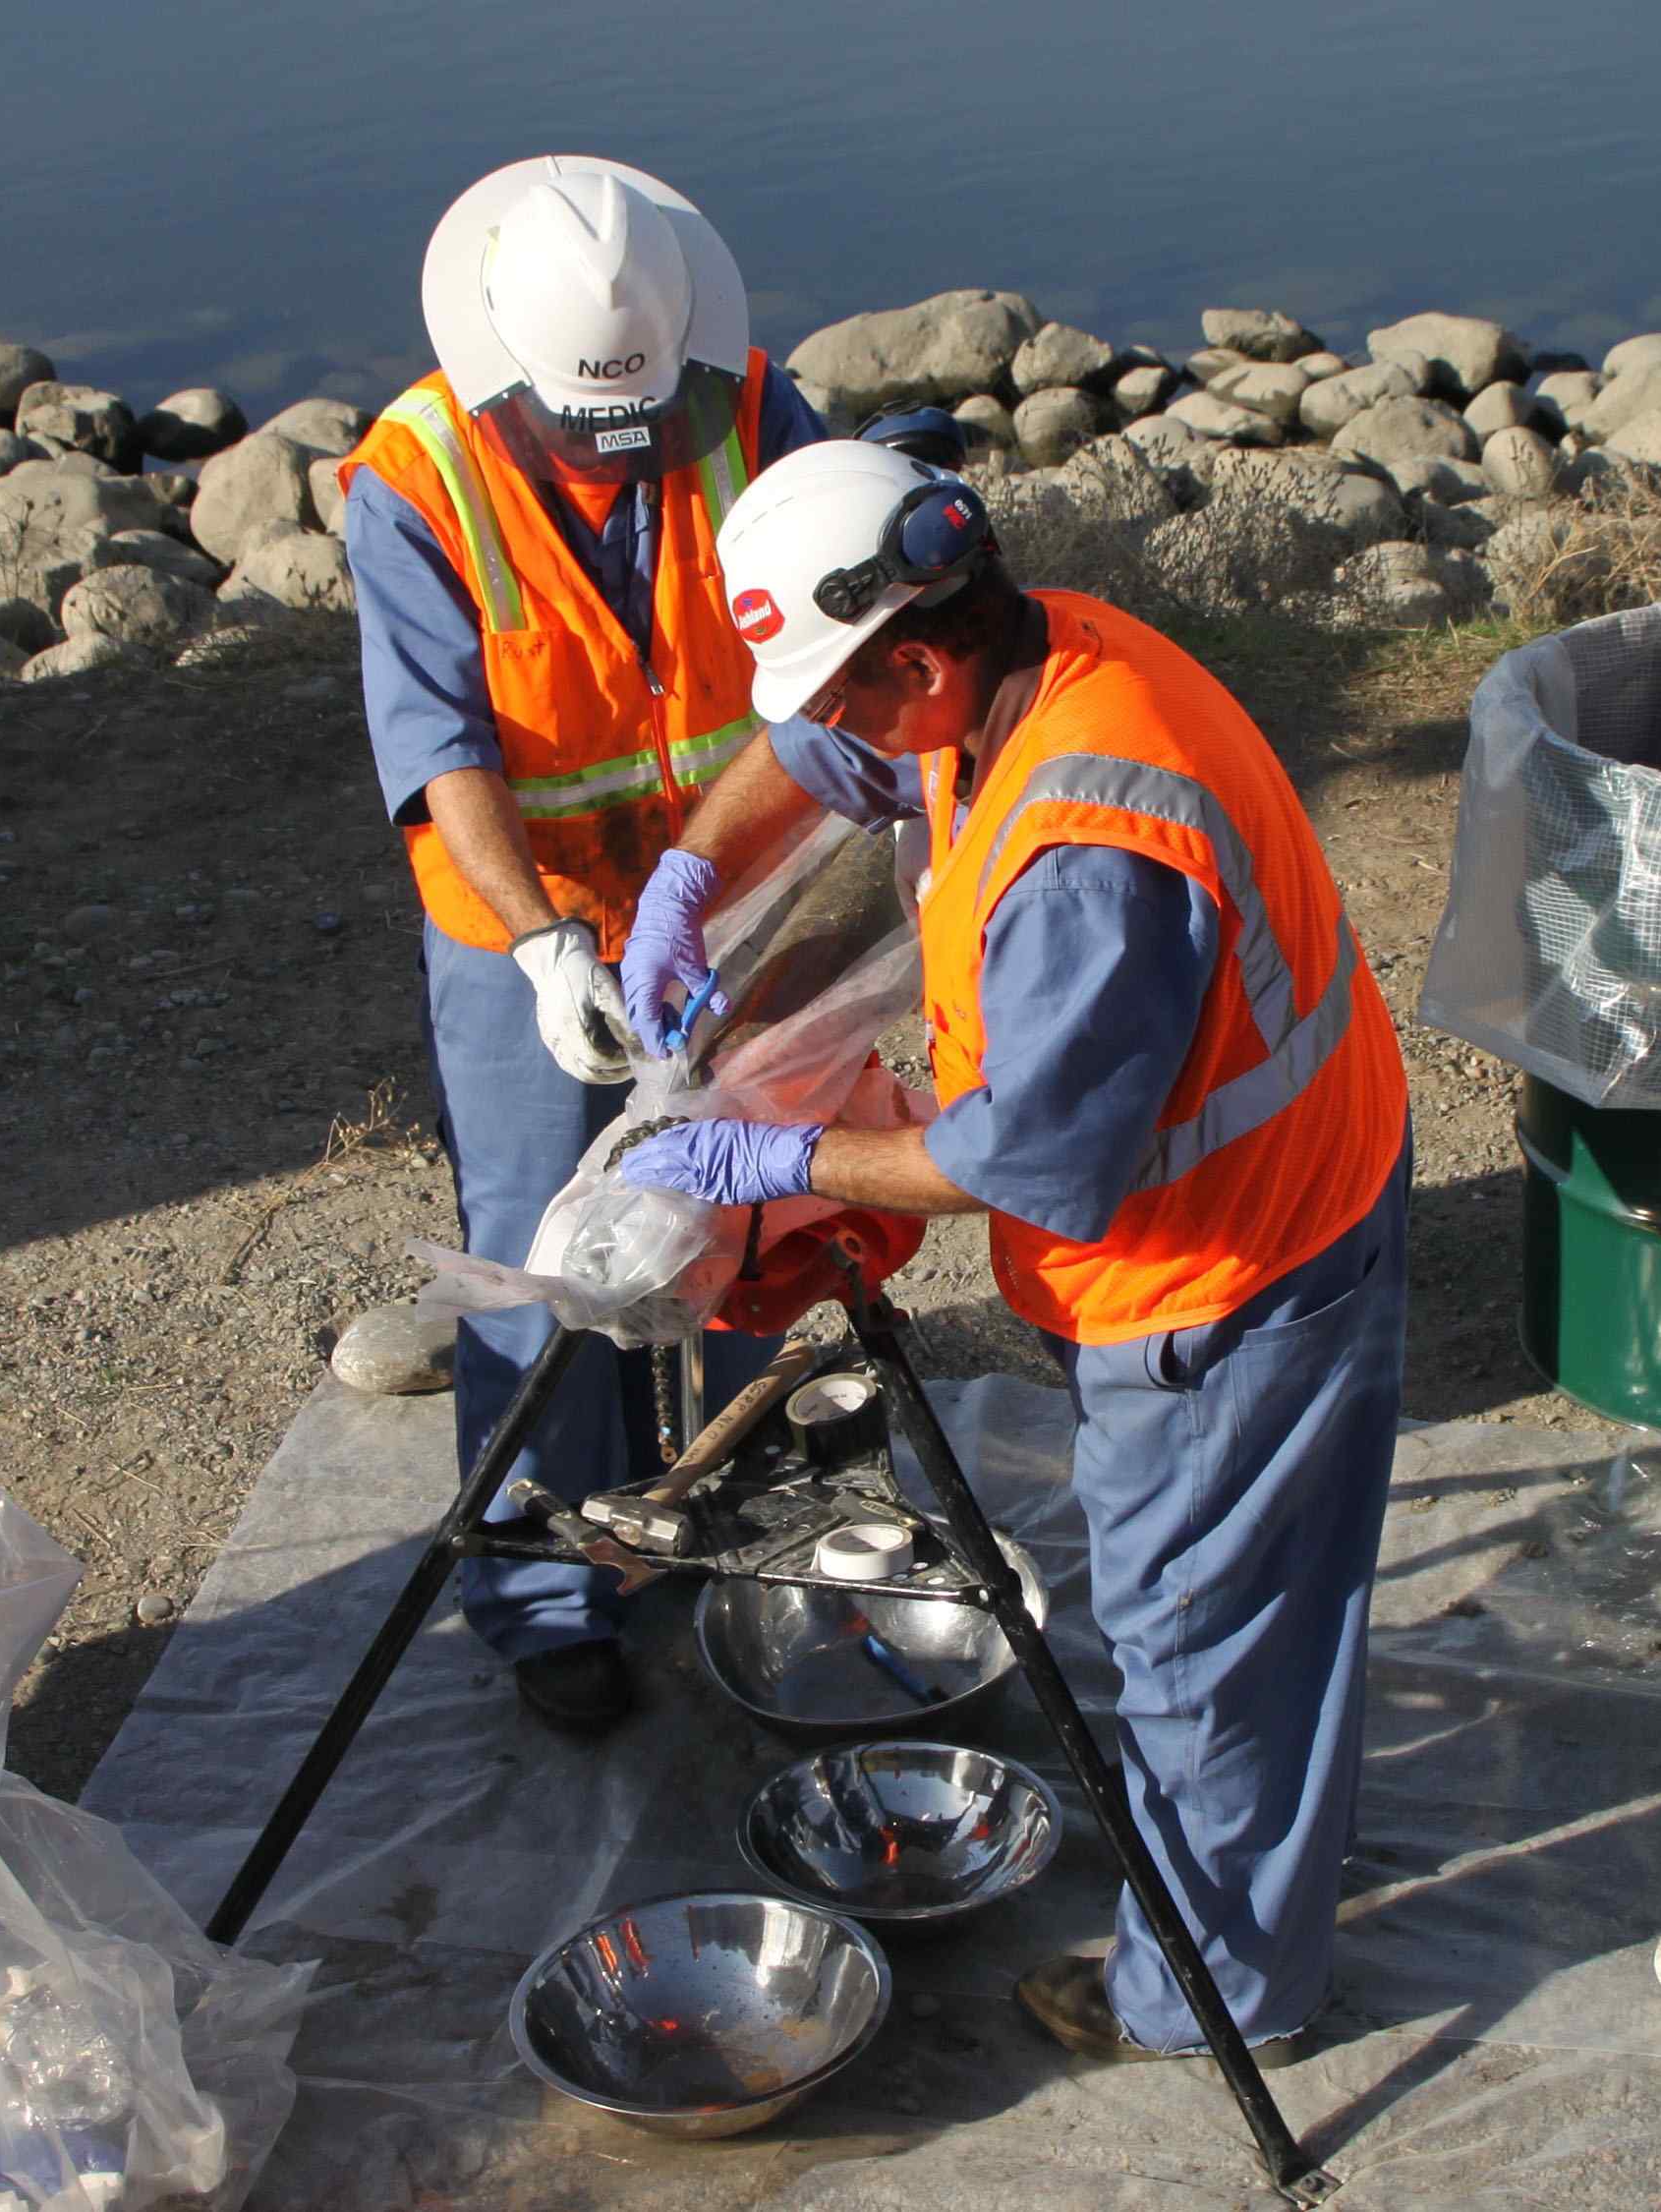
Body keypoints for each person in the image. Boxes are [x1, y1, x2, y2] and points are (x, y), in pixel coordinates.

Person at [616, 438, 1411, 2066]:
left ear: (916, 660)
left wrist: (781, 1160)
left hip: (1227, 1276)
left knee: (1192, 1648)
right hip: (1279, 1192)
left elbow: (1024, 1161)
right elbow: (803, 756)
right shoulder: (1019, 655)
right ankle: (1261, 1870)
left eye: (841, 698)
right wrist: (687, 875)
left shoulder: (1089, 843)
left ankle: (1207, 2002)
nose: (830, 736)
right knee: (1250, 1610)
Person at [338, 155, 839, 1732]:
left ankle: (733, 1505)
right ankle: (552, 1584)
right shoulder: (415, 477)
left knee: (754, 1200)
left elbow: (829, 658)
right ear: (505, 378)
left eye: (639, 424)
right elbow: (441, 751)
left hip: (740, 891)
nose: (615, 460)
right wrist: (548, 945)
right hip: (526, 917)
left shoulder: (756, 410)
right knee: (542, 1253)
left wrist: (753, 883)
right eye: (577, 432)